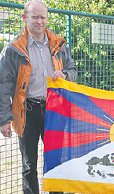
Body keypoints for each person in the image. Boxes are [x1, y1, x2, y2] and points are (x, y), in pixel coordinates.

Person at [0, 0, 77, 194]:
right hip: (27, 112)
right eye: (35, 17)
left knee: (56, 161)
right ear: (25, 18)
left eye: (43, 17)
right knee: (29, 165)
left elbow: (73, 71)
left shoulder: (59, 46)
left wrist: (65, 75)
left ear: (47, 19)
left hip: (55, 111)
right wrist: (4, 119)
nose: (39, 21)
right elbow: (3, 85)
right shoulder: (14, 49)